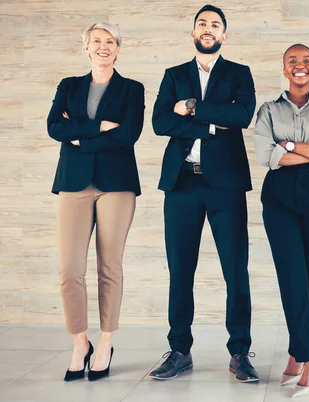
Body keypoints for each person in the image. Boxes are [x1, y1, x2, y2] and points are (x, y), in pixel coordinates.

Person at [149, 4, 258, 382]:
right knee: (180, 270)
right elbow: (160, 122)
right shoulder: (173, 74)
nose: (207, 29)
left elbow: (242, 116)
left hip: (225, 184)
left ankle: (240, 352)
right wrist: (213, 122)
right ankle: (179, 350)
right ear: (192, 33)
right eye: (202, 24)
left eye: (214, 25)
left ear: (224, 35)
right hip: (181, 182)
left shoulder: (239, 74)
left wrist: (192, 108)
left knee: (235, 270)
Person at [47, 22, 144, 382]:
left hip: (117, 185)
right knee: (70, 270)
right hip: (73, 183)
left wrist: (81, 135)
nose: (103, 47)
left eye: (110, 42)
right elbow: (54, 127)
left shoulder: (132, 89)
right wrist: (102, 126)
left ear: (118, 49)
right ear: (85, 48)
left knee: (109, 266)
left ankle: (105, 341)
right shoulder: (68, 86)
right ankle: (80, 341)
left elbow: (130, 133)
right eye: (96, 41)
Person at [253, 44, 309, 397]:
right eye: (293, 61)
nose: (300, 66)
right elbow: (266, 155)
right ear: (284, 69)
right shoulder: (268, 110)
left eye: (306, 61)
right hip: (279, 198)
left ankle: (295, 351)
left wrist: (289, 146)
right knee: (291, 275)